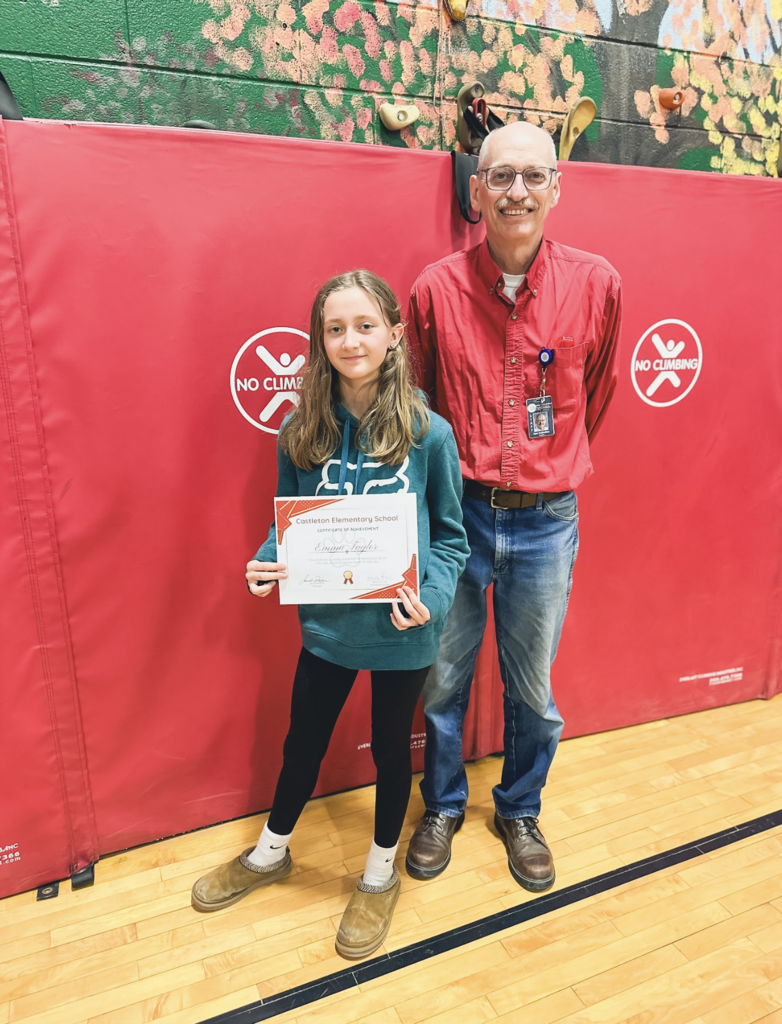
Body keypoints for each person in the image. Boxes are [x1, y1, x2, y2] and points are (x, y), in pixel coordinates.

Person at [191, 270, 469, 959]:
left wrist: (430, 600)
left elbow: (452, 537)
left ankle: (379, 876)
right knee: (303, 743)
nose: (351, 340)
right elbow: (289, 529)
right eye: (336, 328)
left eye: (366, 325)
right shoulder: (299, 429)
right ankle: (270, 852)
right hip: (327, 627)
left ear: (394, 337)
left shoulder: (428, 433)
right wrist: (265, 562)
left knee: (390, 751)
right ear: (320, 341)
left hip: (403, 632)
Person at [405, 121, 622, 892]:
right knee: (442, 679)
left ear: (556, 188)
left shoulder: (598, 283)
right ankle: (442, 806)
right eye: (500, 177)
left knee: (533, 687)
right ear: (476, 190)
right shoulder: (433, 289)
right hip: (456, 517)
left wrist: (546, 464)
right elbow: (419, 404)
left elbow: (595, 396)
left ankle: (520, 809)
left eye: (533, 176)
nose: (517, 192)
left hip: (546, 520)